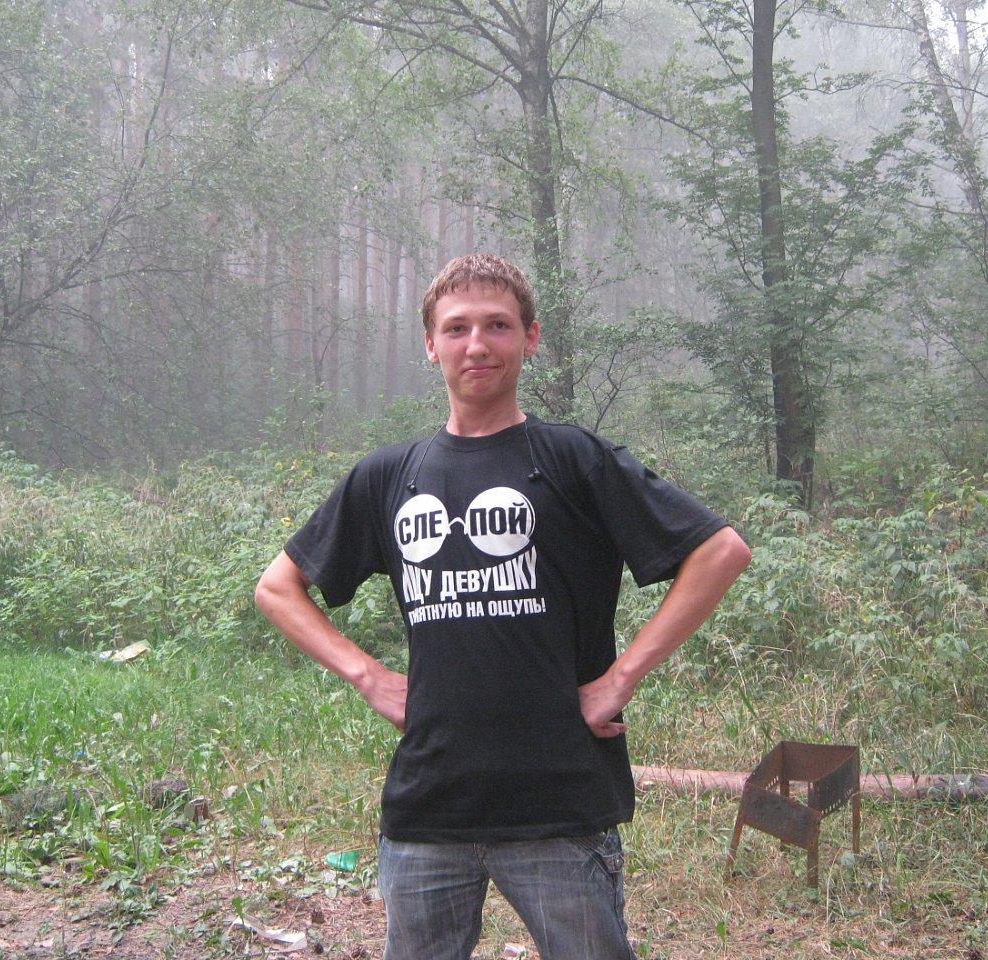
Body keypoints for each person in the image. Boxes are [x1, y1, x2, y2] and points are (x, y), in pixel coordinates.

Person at [255, 253, 751, 960]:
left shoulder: (572, 459)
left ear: (530, 337)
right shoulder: (390, 476)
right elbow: (277, 588)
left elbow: (720, 551)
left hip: (560, 805)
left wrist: (620, 679)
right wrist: (368, 676)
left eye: (497, 325)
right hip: (429, 807)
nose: (477, 345)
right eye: (457, 328)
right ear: (431, 345)